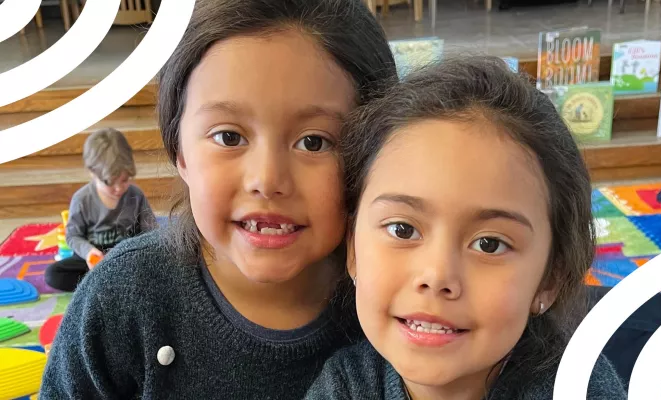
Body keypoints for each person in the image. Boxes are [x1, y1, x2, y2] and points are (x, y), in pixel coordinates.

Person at [39, 0, 396, 398]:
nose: (267, 180)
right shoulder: (121, 298)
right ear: (181, 153)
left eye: (314, 142)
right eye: (229, 137)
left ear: (376, 156)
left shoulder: (404, 304)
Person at [305, 57, 627, 399]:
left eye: (489, 244)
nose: (437, 276)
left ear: (550, 279)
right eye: (402, 229)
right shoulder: (346, 385)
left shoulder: (577, 388)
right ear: (353, 248)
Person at [44, 127, 157, 292]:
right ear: (92, 173)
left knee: (158, 266)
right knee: (53, 274)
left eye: (125, 180)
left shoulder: (135, 195)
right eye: (110, 182)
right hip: (92, 261)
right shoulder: (82, 199)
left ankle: (105, 284)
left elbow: (151, 232)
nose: (119, 188)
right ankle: (103, 284)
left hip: (127, 258)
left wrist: (139, 253)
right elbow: (73, 236)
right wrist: (89, 252)